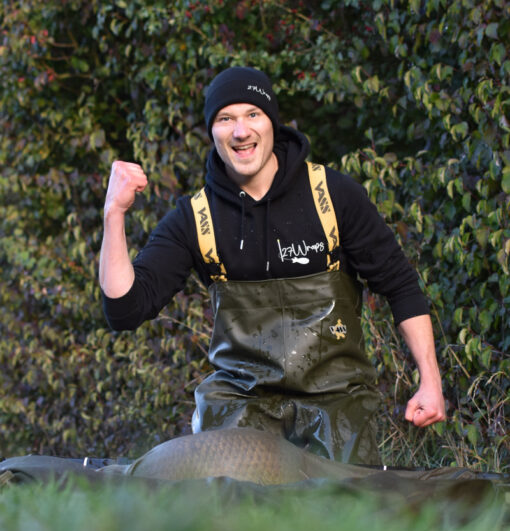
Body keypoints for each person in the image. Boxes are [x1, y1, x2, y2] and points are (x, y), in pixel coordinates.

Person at [99, 66, 445, 465]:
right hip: (240, 405)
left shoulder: (333, 195)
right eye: (225, 119)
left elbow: (400, 285)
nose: (240, 131)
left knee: (345, 515)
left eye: (252, 115)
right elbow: (124, 310)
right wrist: (114, 213)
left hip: (337, 404)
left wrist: (430, 382)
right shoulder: (196, 217)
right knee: (236, 512)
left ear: (273, 124)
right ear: (212, 132)